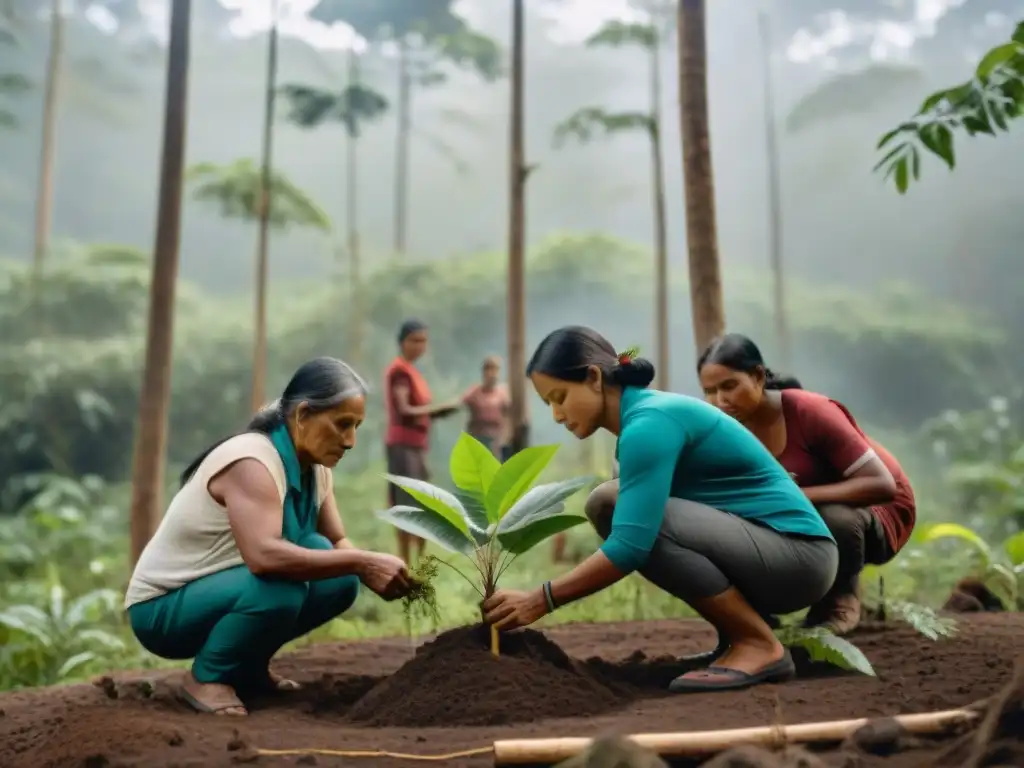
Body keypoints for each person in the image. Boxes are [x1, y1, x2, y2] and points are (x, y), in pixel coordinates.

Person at [481, 326, 839, 693]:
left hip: (798, 557)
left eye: (560, 396)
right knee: (611, 501)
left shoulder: (649, 425)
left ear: (593, 377)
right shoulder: (642, 422)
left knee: (616, 508)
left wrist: (540, 599)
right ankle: (737, 638)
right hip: (770, 553)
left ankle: (758, 643)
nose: (557, 414)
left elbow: (631, 545)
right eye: (548, 404)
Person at [125, 358, 414, 717]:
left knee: (338, 577)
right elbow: (264, 558)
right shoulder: (253, 461)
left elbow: (337, 541)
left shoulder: (316, 469)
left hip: (229, 590)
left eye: (356, 426)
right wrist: (363, 561)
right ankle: (207, 677)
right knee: (281, 585)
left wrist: (374, 572)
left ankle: (246, 667)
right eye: (342, 425)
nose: (351, 441)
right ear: (304, 414)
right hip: (163, 608)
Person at [697, 333, 916, 635]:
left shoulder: (810, 411)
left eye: (729, 386)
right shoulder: (725, 427)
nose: (720, 401)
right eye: (709, 391)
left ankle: (841, 600)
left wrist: (795, 495)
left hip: (876, 508)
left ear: (758, 376)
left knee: (834, 518)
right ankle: (755, 620)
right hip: (803, 508)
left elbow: (881, 484)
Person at [384, 319, 459, 563]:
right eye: (415, 340)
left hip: (416, 445)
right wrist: (437, 410)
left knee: (423, 500)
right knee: (407, 503)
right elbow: (405, 410)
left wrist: (435, 412)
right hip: (403, 445)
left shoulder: (412, 372)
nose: (420, 346)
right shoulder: (400, 371)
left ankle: (419, 560)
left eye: (424, 341)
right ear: (402, 342)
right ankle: (405, 561)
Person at [462, 354, 511, 460]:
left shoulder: (503, 393)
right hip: (477, 440)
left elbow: (510, 416)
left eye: (495, 370)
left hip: (497, 441)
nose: (492, 374)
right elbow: (459, 405)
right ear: (484, 372)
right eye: (489, 369)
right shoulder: (474, 392)